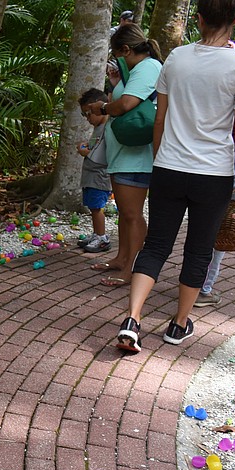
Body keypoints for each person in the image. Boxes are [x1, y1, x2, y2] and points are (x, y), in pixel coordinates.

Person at [115, 0, 235, 353]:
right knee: (199, 250)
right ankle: (179, 324)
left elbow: (160, 120)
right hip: (214, 173)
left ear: (198, 19)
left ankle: (132, 319)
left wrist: (161, 158)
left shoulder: (176, 58)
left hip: (169, 167)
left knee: (157, 244)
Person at [87, 24, 164, 286]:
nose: (117, 60)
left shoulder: (148, 67)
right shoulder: (135, 71)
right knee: (125, 212)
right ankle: (121, 258)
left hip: (136, 157)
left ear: (126, 50)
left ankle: (132, 268)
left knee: (132, 214)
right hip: (123, 154)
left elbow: (127, 104)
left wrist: (103, 107)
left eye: (117, 54)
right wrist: (115, 85)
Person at [195, 154, 235, 306]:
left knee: (200, 235)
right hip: (230, 183)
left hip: (205, 176)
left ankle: (192, 283)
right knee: (220, 240)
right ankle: (202, 289)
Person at [77, 88, 113, 253]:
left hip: (99, 176)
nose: (88, 118)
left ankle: (102, 238)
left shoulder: (107, 127)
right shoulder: (98, 127)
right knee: (93, 207)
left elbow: (101, 153)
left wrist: (85, 151)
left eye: (89, 113)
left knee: (97, 208)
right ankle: (97, 234)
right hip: (91, 175)